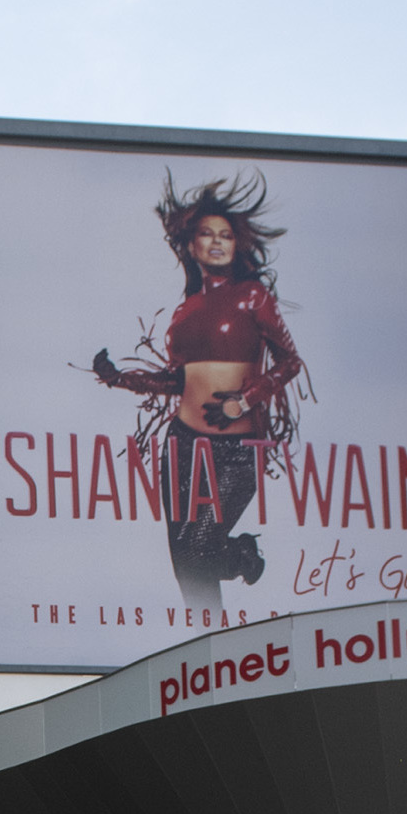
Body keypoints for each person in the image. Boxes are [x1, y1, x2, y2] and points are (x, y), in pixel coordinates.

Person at [88, 170, 310, 602]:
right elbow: (176, 381)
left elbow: (290, 362)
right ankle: (203, 657)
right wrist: (118, 379)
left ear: (236, 244)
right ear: (191, 245)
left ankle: (242, 555)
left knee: (196, 549)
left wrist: (243, 402)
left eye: (225, 235)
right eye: (206, 234)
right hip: (182, 446)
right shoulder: (185, 309)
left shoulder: (252, 296)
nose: (216, 242)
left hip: (235, 450)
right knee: (186, 569)